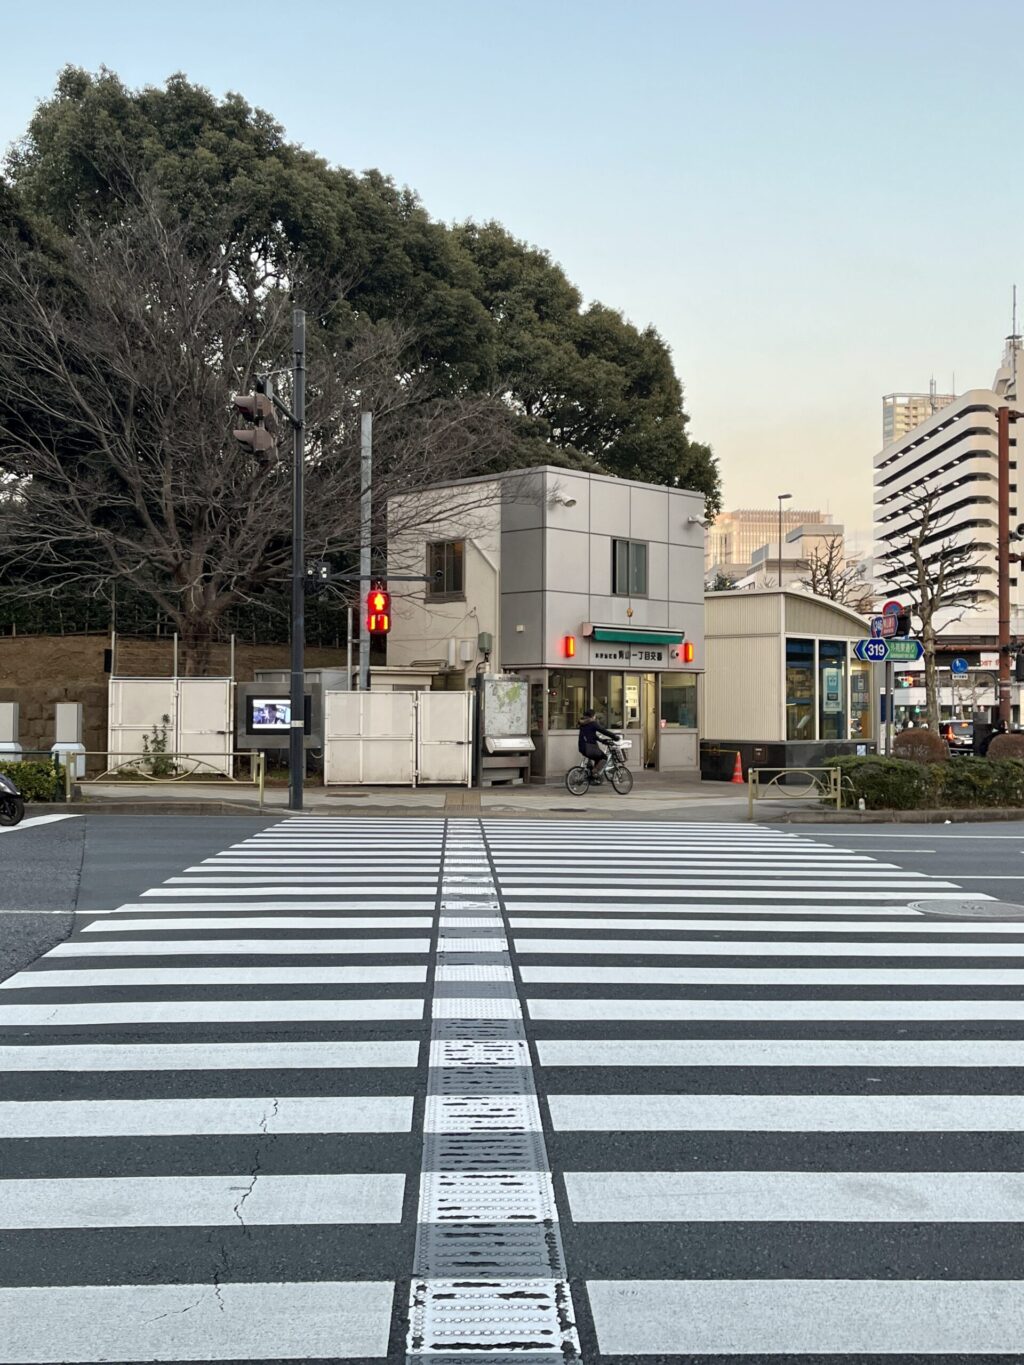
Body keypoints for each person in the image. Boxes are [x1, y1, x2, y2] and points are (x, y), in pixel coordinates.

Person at [578, 708, 619, 782]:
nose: (595, 717)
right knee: (604, 757)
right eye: (595, 716)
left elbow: (591, 735)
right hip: (589, 747)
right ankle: (594, 773)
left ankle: (593, 776)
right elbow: (603, 731)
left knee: (597, 758)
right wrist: (614, 737)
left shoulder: (583, 724)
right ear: (593, 716)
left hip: (582, 747)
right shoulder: (593, 723)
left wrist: (602, 741)